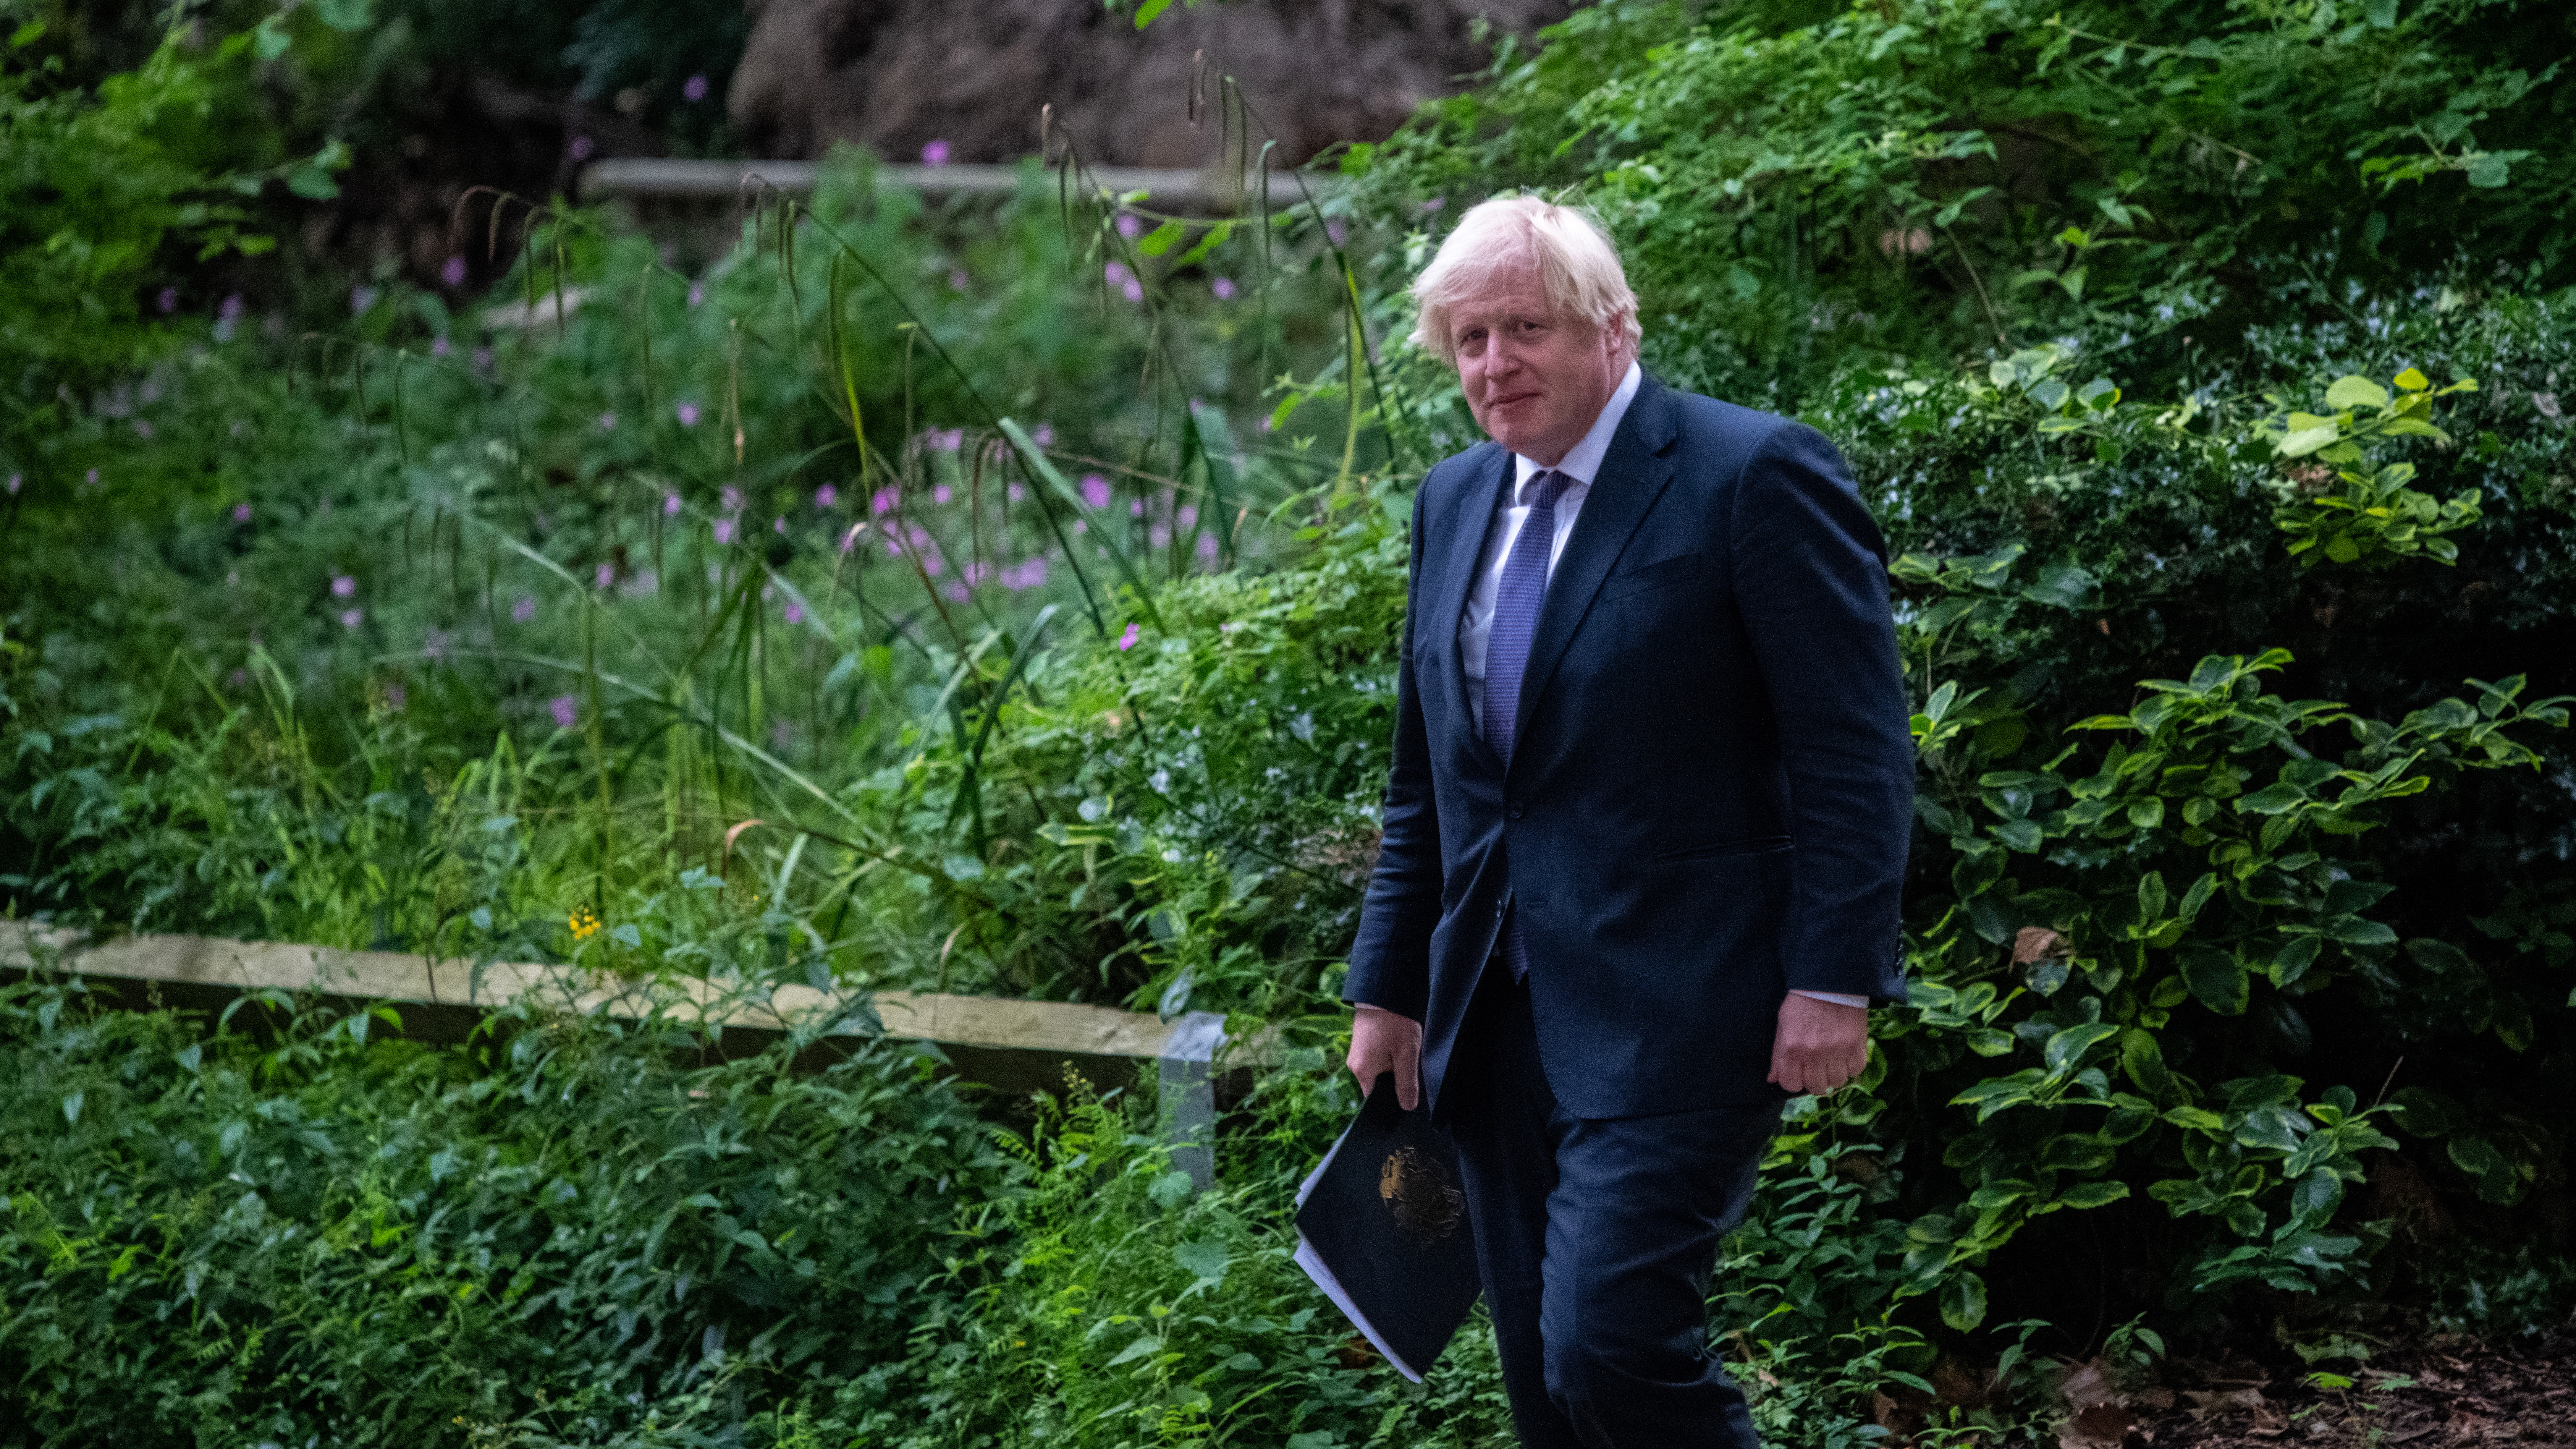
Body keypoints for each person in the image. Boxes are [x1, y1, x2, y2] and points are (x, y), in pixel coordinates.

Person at [1340, 194, 1913, 1449]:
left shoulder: (1751, 474)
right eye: (1470, 338)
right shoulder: (1451, 501)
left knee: (1609, 1346)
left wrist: (1836, 976)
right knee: (1545, 1392)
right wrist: (1386, 985)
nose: (1495, 365)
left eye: (1526, 328)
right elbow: (1425, 781)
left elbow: (1852, 752)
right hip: (1495, 1011)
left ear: (1614, 327)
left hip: (1688, 995)